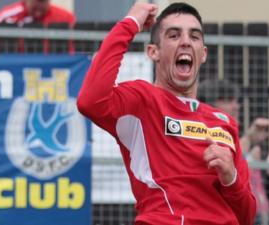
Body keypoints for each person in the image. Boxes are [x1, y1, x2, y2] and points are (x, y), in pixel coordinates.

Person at [77, 2, 256, 225]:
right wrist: (130, 22)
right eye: (173, 35)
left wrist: (231, 178)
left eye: (194, 36)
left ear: (203, 54)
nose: (185, 42)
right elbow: (90, 100)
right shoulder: (142, 100)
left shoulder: (224, 122)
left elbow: (246, 216)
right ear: (154, 52)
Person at [197, 78, 269, 225]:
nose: (236, 106)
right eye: (228, 100)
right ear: (209, 104)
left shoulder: (249, 149)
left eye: (236, 101)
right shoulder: (197, 140)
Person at [0, 0, 76, 53]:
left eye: (43, 1)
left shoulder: (65, 17)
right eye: (37, 1)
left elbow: (75, 49)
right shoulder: (8, 16)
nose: (39, 6)